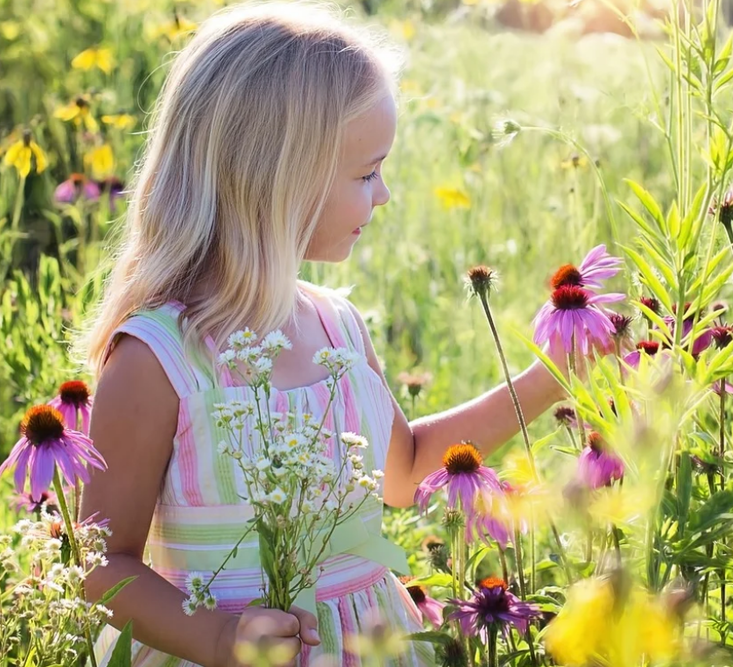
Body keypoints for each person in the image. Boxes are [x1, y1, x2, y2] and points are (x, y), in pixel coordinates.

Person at [77, 3, 570, 665]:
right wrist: (220, 637)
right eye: (367, 173)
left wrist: (552, 374)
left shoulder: (338, 325)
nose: (385, 194)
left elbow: (406, 471)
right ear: (277, 181)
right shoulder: (160, 357)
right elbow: (100, 563)